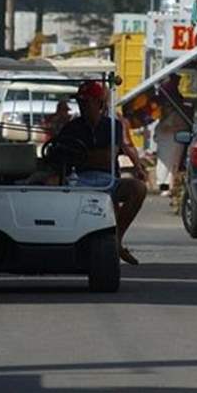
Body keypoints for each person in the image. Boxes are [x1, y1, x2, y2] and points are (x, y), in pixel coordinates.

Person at [55, 80, 147, 265]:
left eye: (86, 101)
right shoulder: (71, 128)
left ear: (99, 103)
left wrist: (137, 165)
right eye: (80, 102)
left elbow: (108, 156)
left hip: (107, 179)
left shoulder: (112, 126)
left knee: (138, 188)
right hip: (79, 180)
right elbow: (62, 157)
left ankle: (116, 239)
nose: (82, 106)